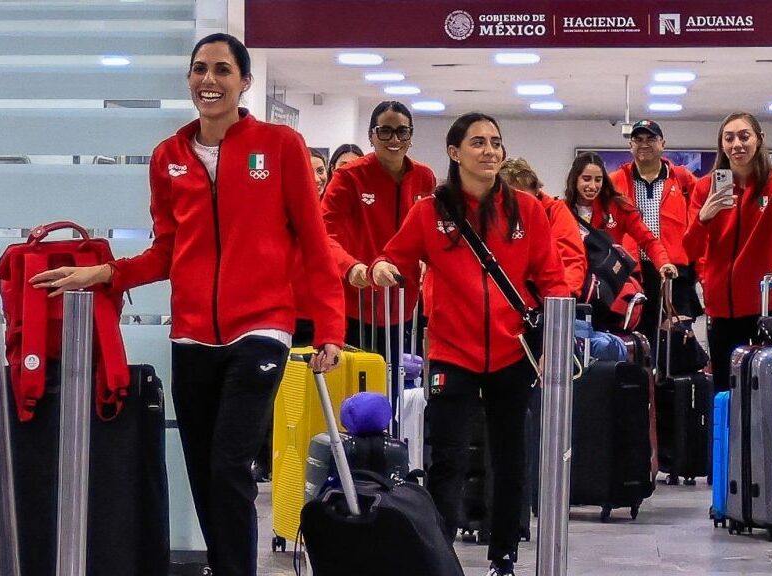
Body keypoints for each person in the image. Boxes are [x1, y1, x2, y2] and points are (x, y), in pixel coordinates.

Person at [29, 33, 345, 576]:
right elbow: (168, 251)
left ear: (244, 81)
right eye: (199, 69)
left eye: (222, 70)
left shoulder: (281, 148)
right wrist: (106, 273)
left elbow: (314, 246)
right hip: (193, 335)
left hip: (262, 328)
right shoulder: (168, 156)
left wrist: (331, 329)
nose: (209, 80)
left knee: (228, 464)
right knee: (202, 468)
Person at [370, 112, 568, 576]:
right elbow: (395, 256)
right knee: (448, 459)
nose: (490, 151)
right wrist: (381, 268)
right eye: (478, 142)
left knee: (510, 458)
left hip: (511, 353)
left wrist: (554, 325)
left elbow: (553, 277)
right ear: (455, 153)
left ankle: (504, 557)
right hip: (451, 354)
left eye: (496, 142)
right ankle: (440, 553)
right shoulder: (429, 212)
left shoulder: (528, 210)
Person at [684, 111, 772, 392]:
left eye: (744, 136)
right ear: (721, 145)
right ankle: (727, 436)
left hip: (767, 302)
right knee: (725, 388)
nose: (737, 144)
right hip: (722, 308)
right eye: (729, 138)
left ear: (759, 140)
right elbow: (689, 248)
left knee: (769, 387)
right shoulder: (705, 188)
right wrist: (704, 217)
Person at [322, 101, 436, 378]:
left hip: (403, 304)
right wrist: (351, 268)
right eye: (385, 131)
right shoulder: (349, 177)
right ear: (371, 136)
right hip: (355, 301)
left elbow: (430, 235)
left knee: (395, 386)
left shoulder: (424, 177)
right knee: (355, 391)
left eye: (402, 132)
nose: (394, 140)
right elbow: (326, 234)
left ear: (411, 136)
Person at [609, 119, 701, 336]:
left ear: (663, 144)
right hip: (634, 273)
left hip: (674, 271)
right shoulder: (615, 181)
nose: (644, 144)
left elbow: (700, 222)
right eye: (638, 139)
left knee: (677, 337)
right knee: (636, 333)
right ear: (630, 145)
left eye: (651, 138)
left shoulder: (682, 179)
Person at [564, 151, 678, 285]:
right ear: (575, 178)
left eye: (598, 180)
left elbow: (648, 240)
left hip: (609, 286)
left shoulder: (618, 207)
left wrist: (663, 263)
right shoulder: (561, 210)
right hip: (573, 283)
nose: (593, 186)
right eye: (586, 179)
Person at [499, 156, 586, 296]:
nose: (520, 204)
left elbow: (571, 259)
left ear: (536, 191)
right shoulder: (494, 213)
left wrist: (563, 299)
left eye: (524, 197)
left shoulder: (554, 211)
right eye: (512, 198)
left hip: (547, 300)